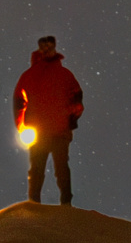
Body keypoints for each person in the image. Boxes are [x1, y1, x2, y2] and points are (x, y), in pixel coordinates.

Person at [12, 35, 84, 205]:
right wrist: (71, 120)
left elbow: (76, 99)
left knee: (52, 168)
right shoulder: (57, 74)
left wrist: (71, 120)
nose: (46, 49)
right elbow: (18, 102)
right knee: (47, 168)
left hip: (52, 130)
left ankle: (53, 203)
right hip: (47, 130)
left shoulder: (58, 75)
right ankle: (43, 203)